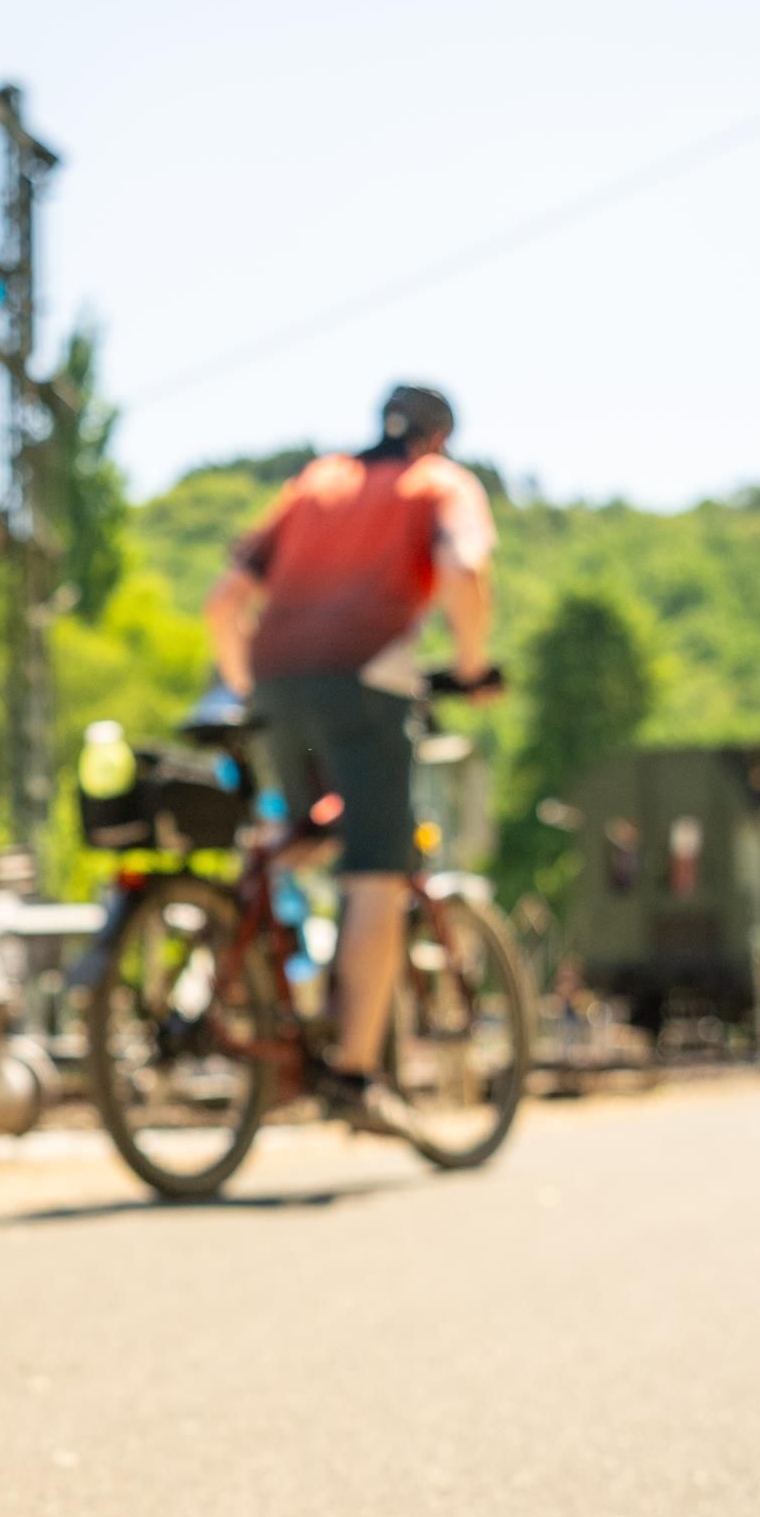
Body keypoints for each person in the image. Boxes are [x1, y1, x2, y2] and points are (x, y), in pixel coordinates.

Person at [201, 382, 500, 1126]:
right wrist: (470, 668)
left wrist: (250, 692)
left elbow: (223, 603)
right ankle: (355, 1073)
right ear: (439, 437)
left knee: (305, 832)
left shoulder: (316, 483)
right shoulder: (438, 482)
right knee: (377, 870)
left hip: (273, 683)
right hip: (367, 684)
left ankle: (248, 967)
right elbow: (464, 571)